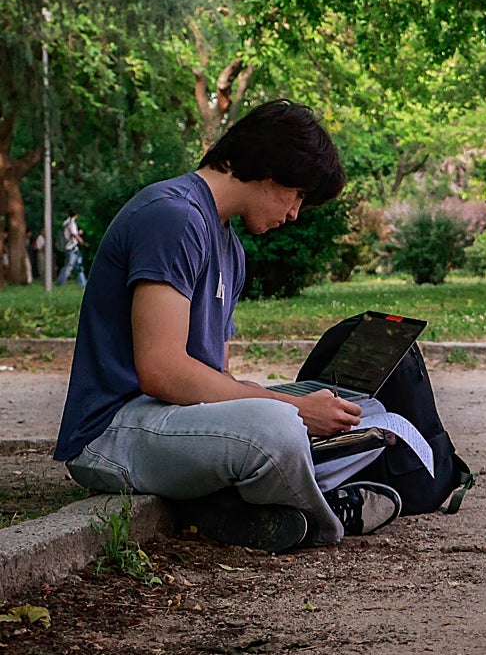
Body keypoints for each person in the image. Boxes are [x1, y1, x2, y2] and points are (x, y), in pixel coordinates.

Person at [54, 99, 407, 553]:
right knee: (277, 428)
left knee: (368, 420)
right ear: (270, 171)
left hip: (176, 422)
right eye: (297, 195)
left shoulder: (231, 249)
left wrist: (285, 403)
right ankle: (326, 513)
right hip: (114, 431)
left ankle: (234, 509)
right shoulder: (174, 217)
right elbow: (161, 371)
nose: (295, 212)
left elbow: (214, 376)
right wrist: (289, 408)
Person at [56, 212, 87, 287]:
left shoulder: (66, 222)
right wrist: (81, 240)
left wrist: (78, 233)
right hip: (71, 248)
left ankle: (82, 283)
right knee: (69, 266)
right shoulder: (71, 223)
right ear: (76, 215)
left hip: (73, 247)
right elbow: (73, 234)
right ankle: (60, 283)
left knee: (78, 265)